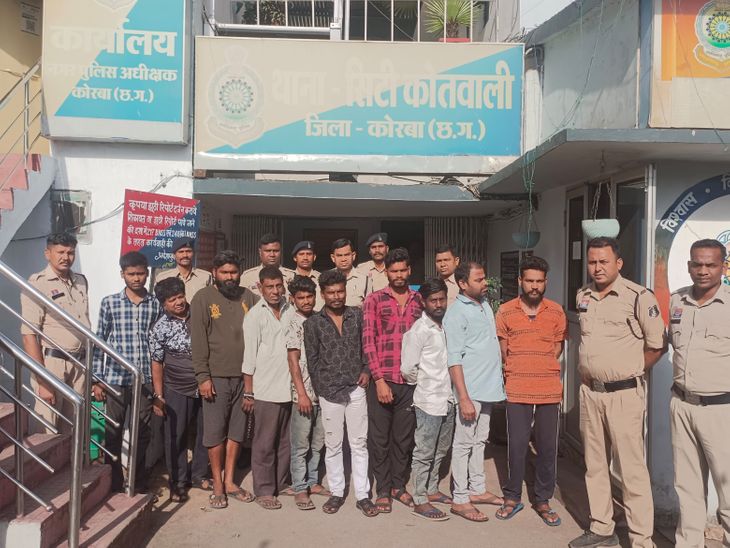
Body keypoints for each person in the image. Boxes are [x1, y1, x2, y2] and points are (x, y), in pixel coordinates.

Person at [569, 237, 666, 548]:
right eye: (592, 262)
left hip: (624, 396)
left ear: (618, 263)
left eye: (604, 262)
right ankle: (601, 528)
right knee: (595, 465)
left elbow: (657, 345)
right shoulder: (583, 295)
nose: (597, 268)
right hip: (590, 393)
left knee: (631, 469)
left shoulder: (638, 296)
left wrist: (630, 371)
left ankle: (641, 539)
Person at [495, 256, 566, 525]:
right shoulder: (505, 311)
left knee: (547, 447)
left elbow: (557, 348)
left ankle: (543, 499)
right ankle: (512, 496)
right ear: (520, 281)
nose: (534, 286)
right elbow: (504, 351)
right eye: (529, 281)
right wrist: (520, 368)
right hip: (517, 388)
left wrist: (540, 366)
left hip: (549, 389)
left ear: (545, 282)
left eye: (539, 281)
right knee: (517, 446)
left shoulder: (557, 312)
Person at [668, 239, 730, 547]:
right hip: (681, 404)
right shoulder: (676, 300)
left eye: (710, 265)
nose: (703, 270)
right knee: (687, 487)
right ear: (689, 265)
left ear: (724, 267)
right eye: (697, 264)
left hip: (721, 410)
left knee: (728, 489)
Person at [303, 269, 377, 517]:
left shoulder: (357, 315)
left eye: (340, 291)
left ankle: (363, 495)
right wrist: (322, 388)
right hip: (330, 392)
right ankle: (336, 492)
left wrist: (366, 370)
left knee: (359, 443)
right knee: (333, 444)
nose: (336, 296)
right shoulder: (313, 323)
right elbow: (312, 360)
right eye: (331, 292)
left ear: (345, 291)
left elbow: (367, 346)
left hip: (356, 387)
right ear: (322, 294)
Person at [191, 250, 258, 510]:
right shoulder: (203, 298)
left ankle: (230, 481)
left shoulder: (248, 297)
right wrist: (203, 377)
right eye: (225, 272)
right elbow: (198, 340)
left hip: (244, 377)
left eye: (234, 272)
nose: (230, 277)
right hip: (216, 377)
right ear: (215, 272)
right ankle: (217, 484)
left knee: (236, 432)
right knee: (215, 434)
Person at [92, 251, 161, 493]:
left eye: (141, 273)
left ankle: (138, 482)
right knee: (113, 431)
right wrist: (97, 380)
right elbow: (99, 341)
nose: (136, 278)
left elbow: (158, 344)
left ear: (147, 274)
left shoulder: (155, 304)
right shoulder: (109, 303)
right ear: (122, 274)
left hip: (145, 379)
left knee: (143, 433)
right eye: (131, 274)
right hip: (115, 378)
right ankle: (114, 483)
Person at [362, 248, 423, 513]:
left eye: (402, 270)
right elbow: (368, 341)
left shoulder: (419, 300)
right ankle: (383, 490)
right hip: (383, 380)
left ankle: (399, 486)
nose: (398, 275)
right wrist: (378, 380)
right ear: (386, 272)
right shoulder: (374, 300)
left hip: (410, 382)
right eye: (393, 271)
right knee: (379, 439)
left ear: (409, 271)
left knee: (404, 438)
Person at [444, 260, 505, 522]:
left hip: (488, 388)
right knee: (463, 444)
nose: (484, 283)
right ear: (462, 283)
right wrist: (464, 397)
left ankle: (477, 489)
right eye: (478, 280)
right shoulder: (456, 313)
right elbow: (454, 359)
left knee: (480, 441)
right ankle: (460, 498)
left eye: (484, 278)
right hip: (470, 391)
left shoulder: (484, 305)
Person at [21, 233, 90, 433]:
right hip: (53, 364)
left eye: (70, 252)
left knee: (73, 429)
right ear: (47, 253)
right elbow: (29, 335)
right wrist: (42, 380)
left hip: (80, 364)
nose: (66, 257)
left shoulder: (81, 281)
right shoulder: (38, 283)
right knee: (48, 428)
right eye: (60, 252)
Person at [149, 278, 209, 502]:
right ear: (163, 304)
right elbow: (157, 362)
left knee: (206, 432)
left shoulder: (201, 315)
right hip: (176, 387)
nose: (178, 302)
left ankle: (199, 474)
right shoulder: (160, 327)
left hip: (205, 383)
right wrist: (159, 396)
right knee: (176, 435)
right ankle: (178, 482)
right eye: (172, 300)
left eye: (180, 297)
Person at [400, 278, 454, 521]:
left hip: (448, 399)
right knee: (424, 451)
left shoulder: (446, 326)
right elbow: (407, 369)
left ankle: (432, 489)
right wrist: (424, 384)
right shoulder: (418, 331)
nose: (439, 304)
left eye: (442, 299)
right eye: (434, 300)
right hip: (428, 401)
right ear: (423, 302)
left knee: (441, 449)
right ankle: (420, 499)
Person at [242, 266, 293, 511]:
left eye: (278, 286)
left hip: (290, 387)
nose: (275, 291)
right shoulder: (254, 315)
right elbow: (249, 357)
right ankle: (263, 489)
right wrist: (249, 392)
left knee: (286, 441)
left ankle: (280, 483)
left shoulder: (290, 309)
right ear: (260, 288)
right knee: (264, 443)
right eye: (269, 287)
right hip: (265, 389)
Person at [285, 275, 329, 511]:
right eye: (300, 297)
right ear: (293, 299)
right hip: (303, 394)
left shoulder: (320, 319)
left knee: (318, 442)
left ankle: (313, 481)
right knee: (301, 444)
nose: (306, 301)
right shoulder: (293, 323)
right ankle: (300, 487)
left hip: (323, 392)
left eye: (309, 296)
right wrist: (301, 394)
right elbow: (293, 361)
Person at [155, 237, 212, 302]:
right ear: (174, 255)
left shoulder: (206, 277)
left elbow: (210, 301)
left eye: (188, 251)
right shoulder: (163, 278)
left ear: (194, 253)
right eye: (181, 252)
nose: (185, 255)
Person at [330, 238, 369, 307]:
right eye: (339, 255)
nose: (343, 259)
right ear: (333, 257)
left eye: (347, 255)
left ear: (353, 256)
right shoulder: (326, 278)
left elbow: (369, 308)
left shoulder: (365, 279)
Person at [291, 240, 323, 310]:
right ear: (295, 258)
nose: (305, 258)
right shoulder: (288, 278)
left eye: (309, 254)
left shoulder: (322, 278)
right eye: (301, 254)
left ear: (314, 257)